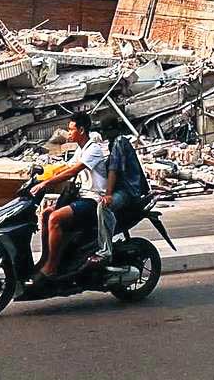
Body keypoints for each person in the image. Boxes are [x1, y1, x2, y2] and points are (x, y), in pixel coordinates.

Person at [29, 111, 108, 284]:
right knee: (46, 214)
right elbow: (65, 166)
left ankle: (52, 266)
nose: (68, 132)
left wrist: (45, 184)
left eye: (71, 129)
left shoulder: (93, 149)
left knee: (55, 218)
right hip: (81, 196)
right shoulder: (81, 149)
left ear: (81, 130)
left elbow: (73, 171)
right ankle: (46, 257)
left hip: (93, 200)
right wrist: (42, 174)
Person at [88, 127, 151, 268]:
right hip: (124, 189)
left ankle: (105, 251)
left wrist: (108, 194)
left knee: (104, 206)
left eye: (104, 131)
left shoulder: (118, 142)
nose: (102, 134)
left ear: (110, 129)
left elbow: (113, 170)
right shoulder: (115, 143)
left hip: (127, 191)